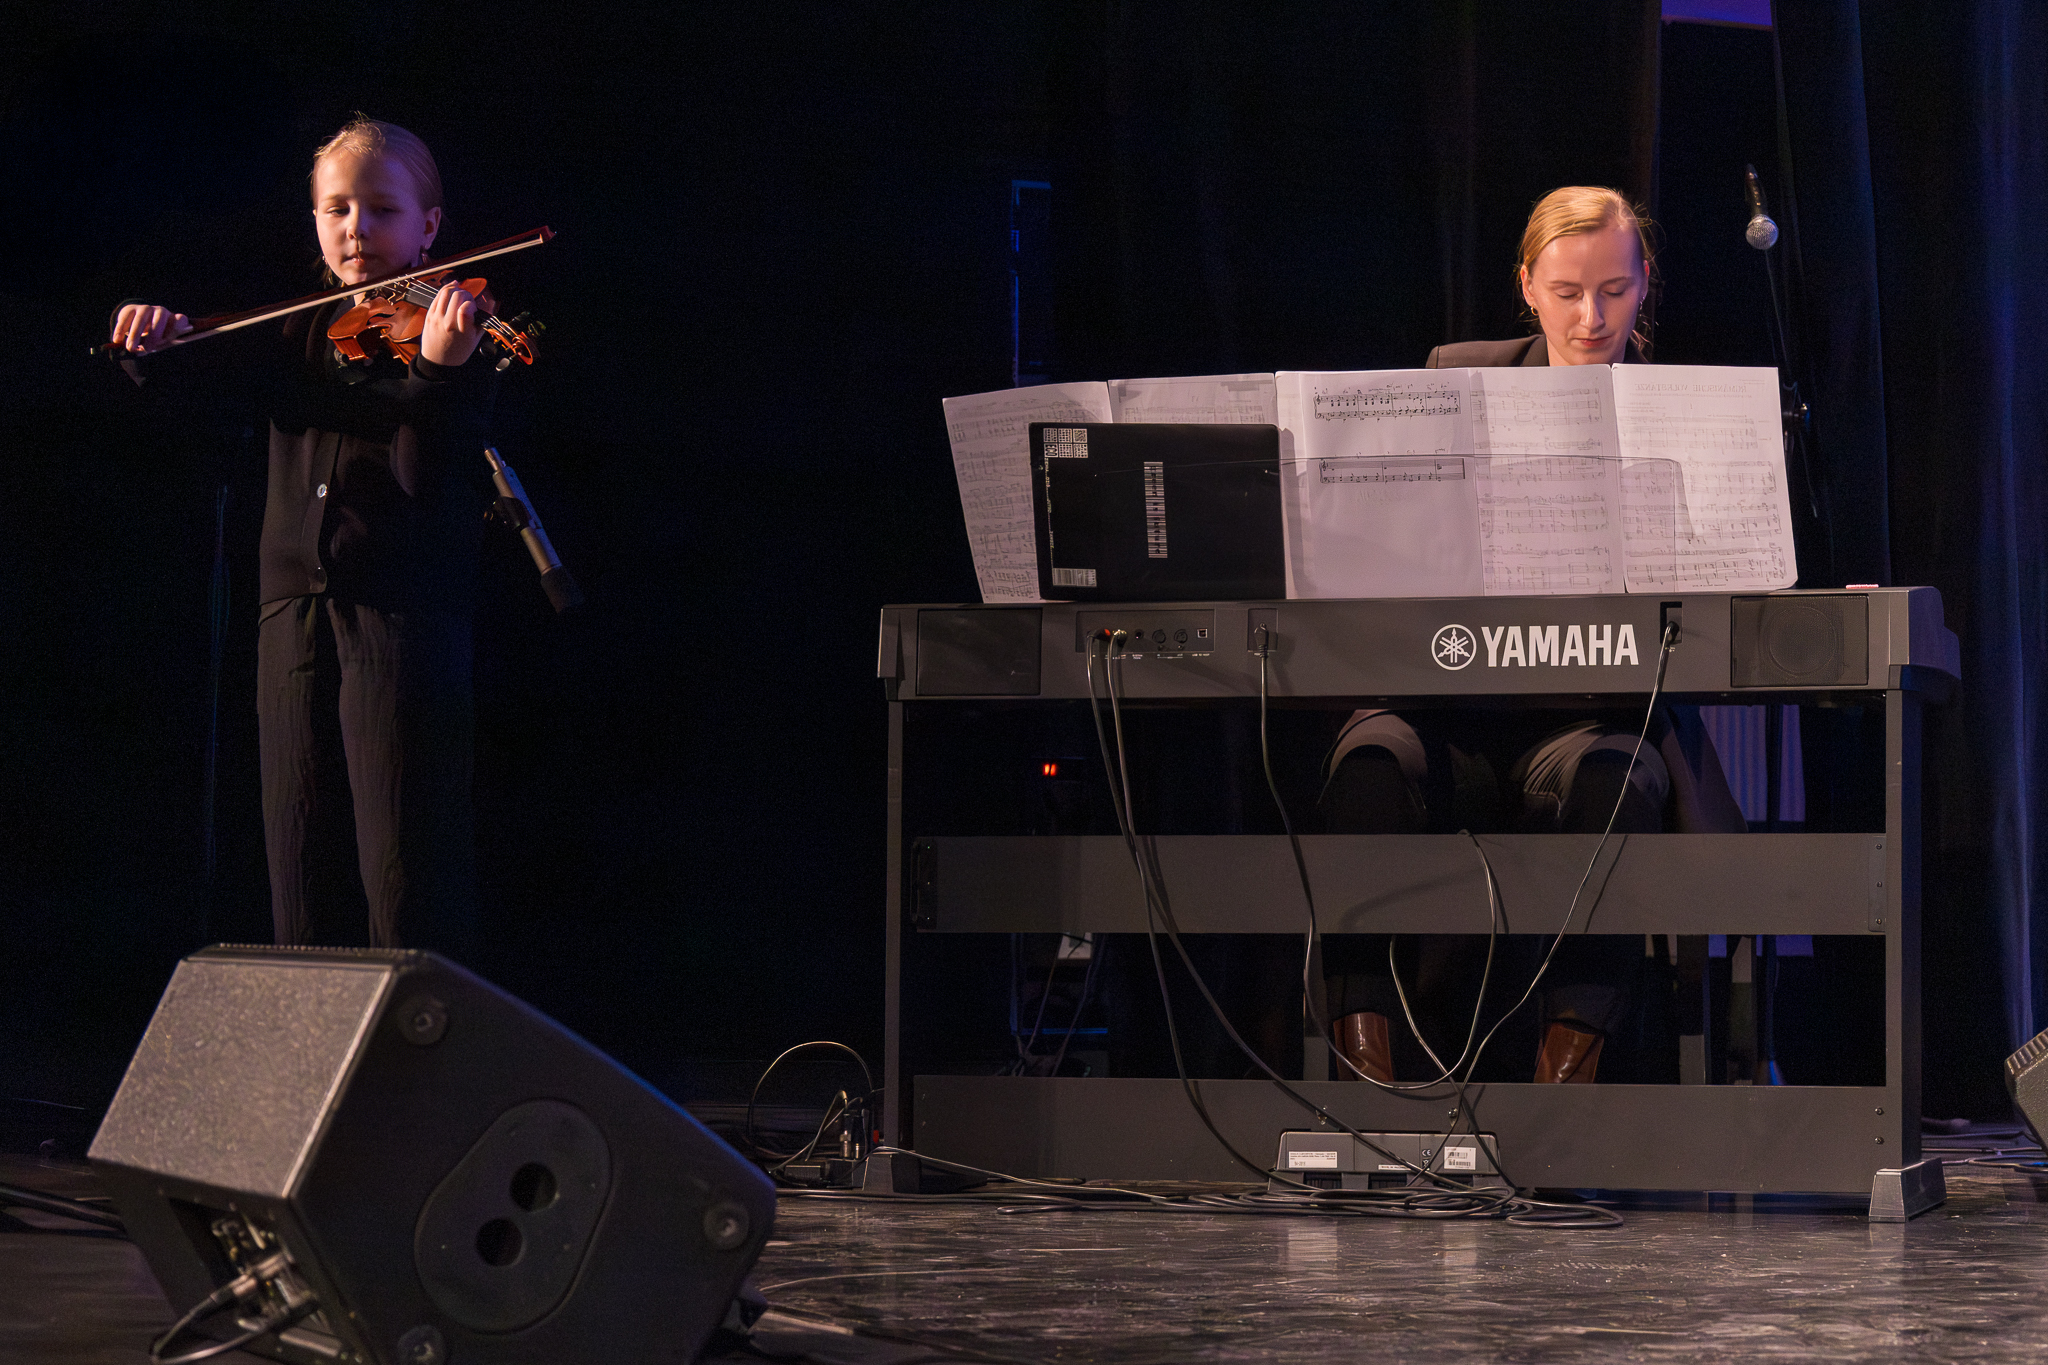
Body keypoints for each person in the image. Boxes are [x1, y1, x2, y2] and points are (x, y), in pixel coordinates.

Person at [1319, 186, 1746, 1087]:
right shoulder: (1454, 380)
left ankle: (1564, 1089)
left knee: (1614, 781)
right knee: (1368, 762)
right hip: (1450, 710)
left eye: (1616, 291)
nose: (1592, 318)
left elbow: (1720, 581)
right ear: (1527, 286)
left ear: (1645, 282)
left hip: (1589, 720)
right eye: (1567, 292)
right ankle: (1368, 1079)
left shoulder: (1685, 410)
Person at [110, 116, 497, 952]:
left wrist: (437, 374)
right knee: (299, 867)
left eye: (382, 210)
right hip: (289, 610)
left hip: (399, 616)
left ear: (429, 224)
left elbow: (427, 483)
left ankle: (418, 1040)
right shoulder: (294, 332)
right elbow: (194, 409)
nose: (357, 229)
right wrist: (153, 342)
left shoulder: (453, 330)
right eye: (337, 209)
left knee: (404, 872)